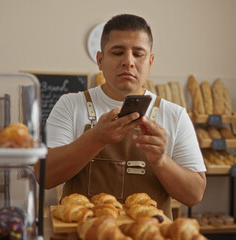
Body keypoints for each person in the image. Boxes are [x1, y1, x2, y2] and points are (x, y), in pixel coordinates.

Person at [34, 13, 206, 219]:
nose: (128, 61)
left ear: (150, 62)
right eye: (117, 52)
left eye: (138, 54)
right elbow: (44, 176)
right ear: (100, 60)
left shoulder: (175, 115)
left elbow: (194, 194)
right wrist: (95, 138)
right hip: (85, 233)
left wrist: (160, 160)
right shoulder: (71, 105)